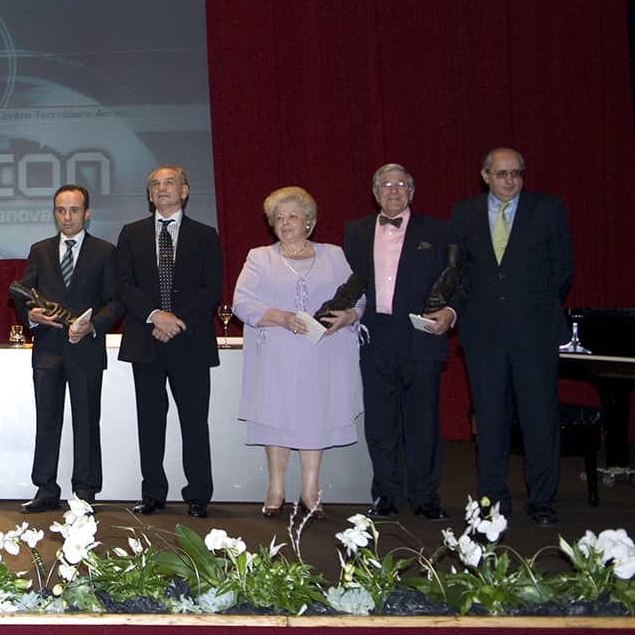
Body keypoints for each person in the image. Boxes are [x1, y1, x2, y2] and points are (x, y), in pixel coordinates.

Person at [444, 148, 573, 526]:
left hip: (534, 334)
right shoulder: (464, 213)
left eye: (516, 173)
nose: (510, 180)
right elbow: (459, 272)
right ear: (485, 175)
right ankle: (492, 502)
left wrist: (531, 307)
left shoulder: (547, 209)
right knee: (490, 422)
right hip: (483, 335)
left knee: (540, 421)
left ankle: (542, 501)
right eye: (501, 174)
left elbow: (563, 268)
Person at [233, 186, 362, 519]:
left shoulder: (333, 255)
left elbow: (358, 297)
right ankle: (275, 489)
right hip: (276, 354)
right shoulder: (259, 257)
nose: (285, 223)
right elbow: (241, 303)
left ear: (310, 222)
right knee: (276, 416)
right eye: (278, 218)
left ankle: (310, 490)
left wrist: (348, 316)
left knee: (315, 417)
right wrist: (281, 317)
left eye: (293, 216)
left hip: (324, 355)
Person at [342, 164, 453, 521]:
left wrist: (450, 311)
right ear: (375, 193)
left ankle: (425, 497)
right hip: (375, 337)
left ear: (412, 191)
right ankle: (386, 495)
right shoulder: (355, 231)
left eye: (401, 184)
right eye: (386, 185)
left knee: (423, 422)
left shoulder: (438, 230)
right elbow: (351, 283)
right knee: (380, 423)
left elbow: (458, 278)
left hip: (422, 335)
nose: (393, 190)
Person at [115, 165, 222, 519]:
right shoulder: (131, 234)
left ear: (185, 191)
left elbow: (212, 288)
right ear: (149, 195)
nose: (162, 189)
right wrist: (155, 316)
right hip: (146, 340)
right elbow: (124, 284)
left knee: (194, 422)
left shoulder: (205, 235)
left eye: (170, 182)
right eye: (155, 185)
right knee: (150, 421)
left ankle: (198, 495)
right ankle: (152, 493)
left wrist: (176, 321)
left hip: (190, 341)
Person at [13, 184, 123, 514]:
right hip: (47, 349)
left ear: (87, 213)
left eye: (74, 210)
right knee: (46, 420)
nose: (67, 217)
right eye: (61, 210)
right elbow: (21, 296)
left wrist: (94, 325)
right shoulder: (40, 250)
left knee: (87, 421)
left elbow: (115, 301)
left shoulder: (105, 251)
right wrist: (30, 316)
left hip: (86, 348)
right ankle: (45, 488)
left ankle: (85, 492)